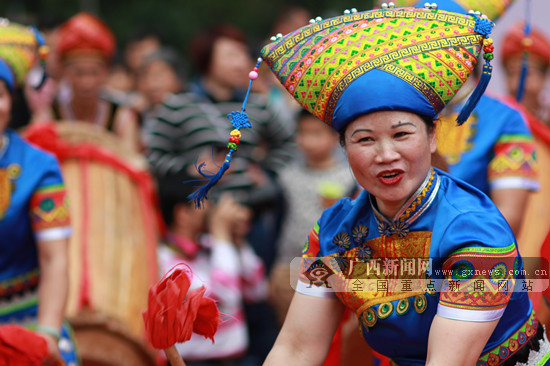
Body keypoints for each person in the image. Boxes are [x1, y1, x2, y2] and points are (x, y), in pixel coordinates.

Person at [244, 4, 549, 365]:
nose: (386, 154)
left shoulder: (474, 232)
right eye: (364, 140)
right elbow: (295, 349)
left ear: (433, 136)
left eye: (402, 134)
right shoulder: (333, 233)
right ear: (343, 148)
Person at [0, 19, 78, 365]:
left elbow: (55, 258)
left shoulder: (37, 167)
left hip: (28, 320)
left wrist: (46, 334)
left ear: (9, 100)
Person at [156, 172, 267, 365]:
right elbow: (226, 298)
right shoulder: (164, 261)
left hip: (239, 359)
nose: (212, 208)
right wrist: (222, 235)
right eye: (204, 200)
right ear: (182, 214)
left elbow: (257, 291)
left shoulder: (213, 246)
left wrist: (238, 243)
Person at [270, 109, 356, 325]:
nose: (308, 141)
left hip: (331, 266)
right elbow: (277, 223)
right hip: (288, 264)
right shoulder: (286, 177)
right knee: (288, 329)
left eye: (316, 134)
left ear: (336, 138)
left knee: (327, 331)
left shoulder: (349, 178)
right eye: (302, 133)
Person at [31, 12, 141, 153]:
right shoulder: (47, 117)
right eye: (79, 73)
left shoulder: (122, 118)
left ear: (106, 72)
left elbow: (132, 162)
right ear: (65, 71)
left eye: (94, 73)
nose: (86, 82)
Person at [501, 22, 550, 126]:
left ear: (543, 77)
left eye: (525, 74)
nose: (516, 84)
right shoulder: (499, 123)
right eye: (511, 74)